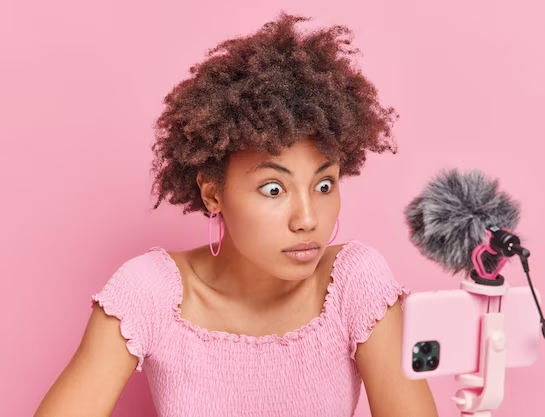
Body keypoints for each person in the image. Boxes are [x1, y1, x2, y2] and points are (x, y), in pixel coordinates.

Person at [35, 12, 438, 417]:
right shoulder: (150, 294)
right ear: (214, 194)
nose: (308, 219)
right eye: (274, 189)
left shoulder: (355, 283)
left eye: (324, 186)